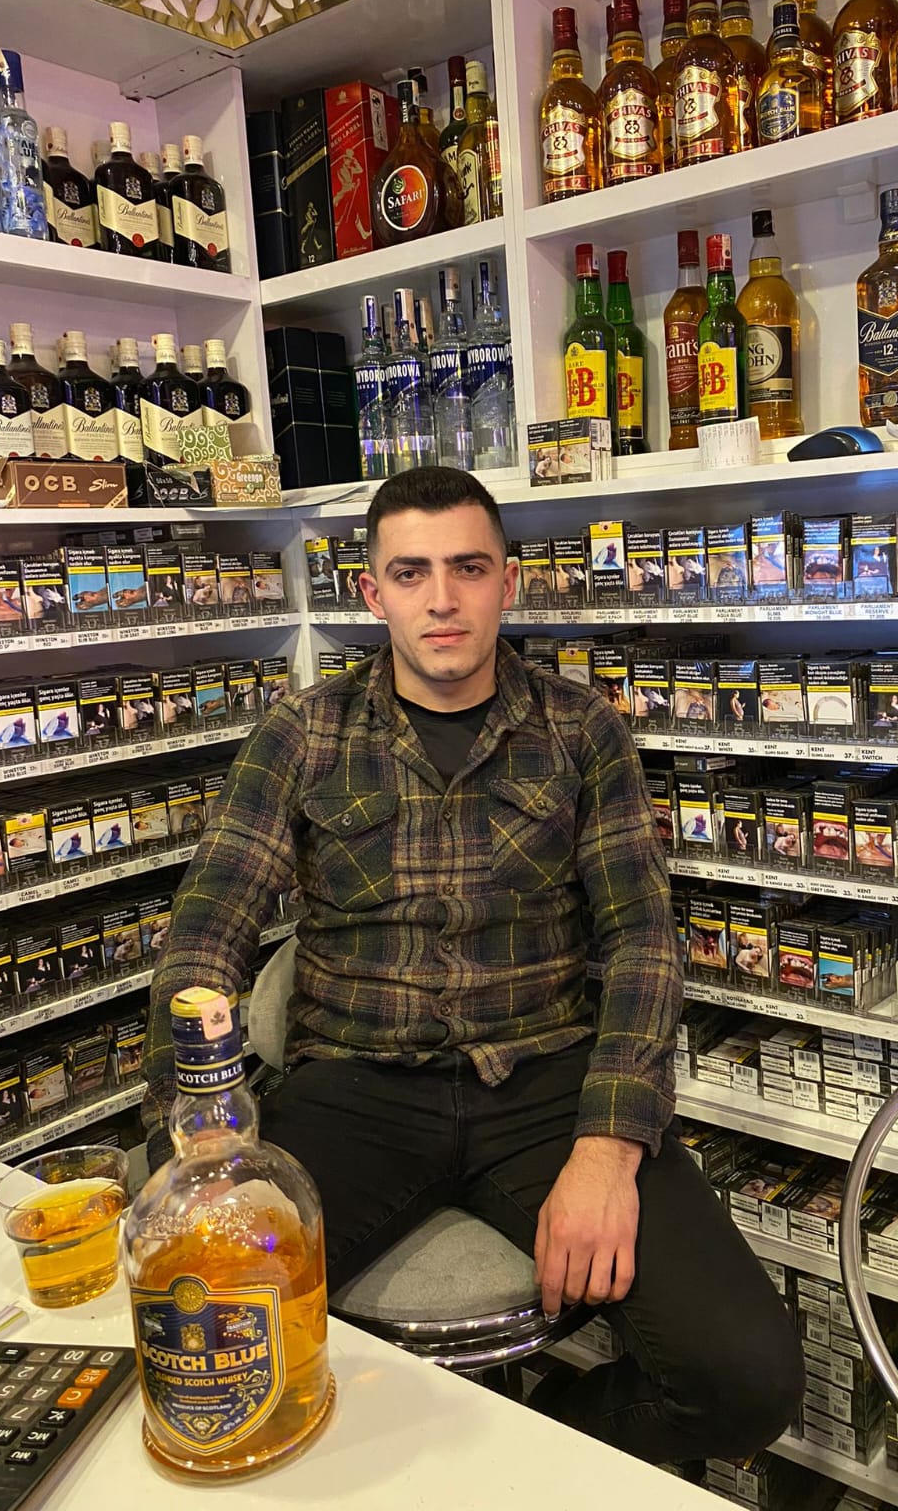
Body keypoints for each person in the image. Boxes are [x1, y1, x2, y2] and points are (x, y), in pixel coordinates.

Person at [142, 467, 802, 1467]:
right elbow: (204, 935)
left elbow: (640, 941)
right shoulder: (303, 733)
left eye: (468, 567)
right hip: (353, 1088)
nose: (442, 598)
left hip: (546, 1087)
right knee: (201, 1342)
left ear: (508, 581)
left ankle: (528, 1465)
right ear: (372, 592)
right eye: (411, 572)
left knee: (745, 1381)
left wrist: (608, 1149)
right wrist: (194, 1134)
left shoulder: (581, 730)